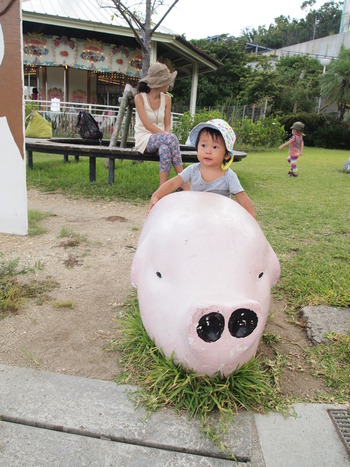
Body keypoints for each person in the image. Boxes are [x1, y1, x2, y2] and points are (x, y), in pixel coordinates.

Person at [147, 118, 256, 219]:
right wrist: (157, 195)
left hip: (219, 218)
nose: (208, 151)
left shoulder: (229, 176)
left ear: (227, 154)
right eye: (203, 145)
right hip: (197, 215)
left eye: (215, 147)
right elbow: (174, 183)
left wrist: (252, 219)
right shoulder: (193, 170)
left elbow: (242, 198)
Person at [134, 62, 185, 186]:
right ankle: (184, 182)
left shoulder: (167, 99)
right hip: (144, 138)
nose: (169, 83)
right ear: (160, 82)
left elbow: (167, 124)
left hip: (162, 138)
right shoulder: (139, 98)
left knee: (165, 150)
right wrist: (168, 137)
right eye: (167, 80)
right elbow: (147, 125)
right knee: (171, 139)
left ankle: (162, 189)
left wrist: (166, 136)